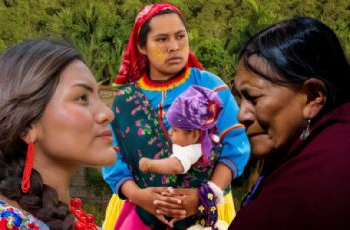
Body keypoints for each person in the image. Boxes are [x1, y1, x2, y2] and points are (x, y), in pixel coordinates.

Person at [229, 16, 350, 229]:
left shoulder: (318, 182)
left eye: (253, 98)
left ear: (313, 97)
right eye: (239, 98)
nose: (241, 114)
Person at [101, 2, 250, 230]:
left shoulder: (210, 87)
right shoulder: (125, 100)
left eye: (180, 36)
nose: (174, 46)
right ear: (142, 46)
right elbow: (111, 158)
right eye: (162, 39)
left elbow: (237, 144)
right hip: (140, 213)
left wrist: (206, 195)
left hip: (208, 212)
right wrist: (140, 196)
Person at [0, 39, 117, 230]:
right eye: (82, 97)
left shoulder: (79, 222)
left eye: (98, 96)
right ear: (27, 127)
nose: (107, 113)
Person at [139, 85, 223, 176]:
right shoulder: (212, 138)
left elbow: (176, 166)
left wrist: (149, 164)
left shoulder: (190, 150)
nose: (170, 132)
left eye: (175, 130)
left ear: (194, 135)